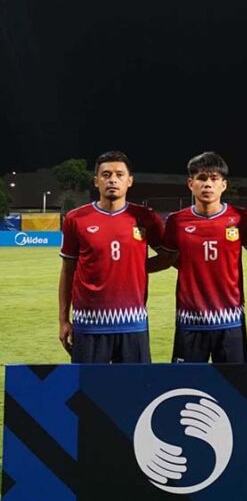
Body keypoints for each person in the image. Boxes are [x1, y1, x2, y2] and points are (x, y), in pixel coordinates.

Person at [58, 151, 165, 363]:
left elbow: (168, 255)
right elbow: (68, 270)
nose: (113, 179)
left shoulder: (145, 217)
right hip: (88, 324)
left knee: (136, 391)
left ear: (129, 181)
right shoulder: (75, 219)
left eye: (119, 174)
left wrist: (138, 267)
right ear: (96, 181)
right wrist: (63, 320)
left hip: (133, 323)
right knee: (88, 392)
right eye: (106, 174)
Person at [156, 151, 247, 363]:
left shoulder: (240, 218)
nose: (207, 185)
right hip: (189, 320)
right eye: (202, 178)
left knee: (237, 387)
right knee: (187, 387)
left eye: (214, 179)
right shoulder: (177, 221)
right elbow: (166, 259)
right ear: (190, 183)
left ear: (224, 185)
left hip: (230, 320)